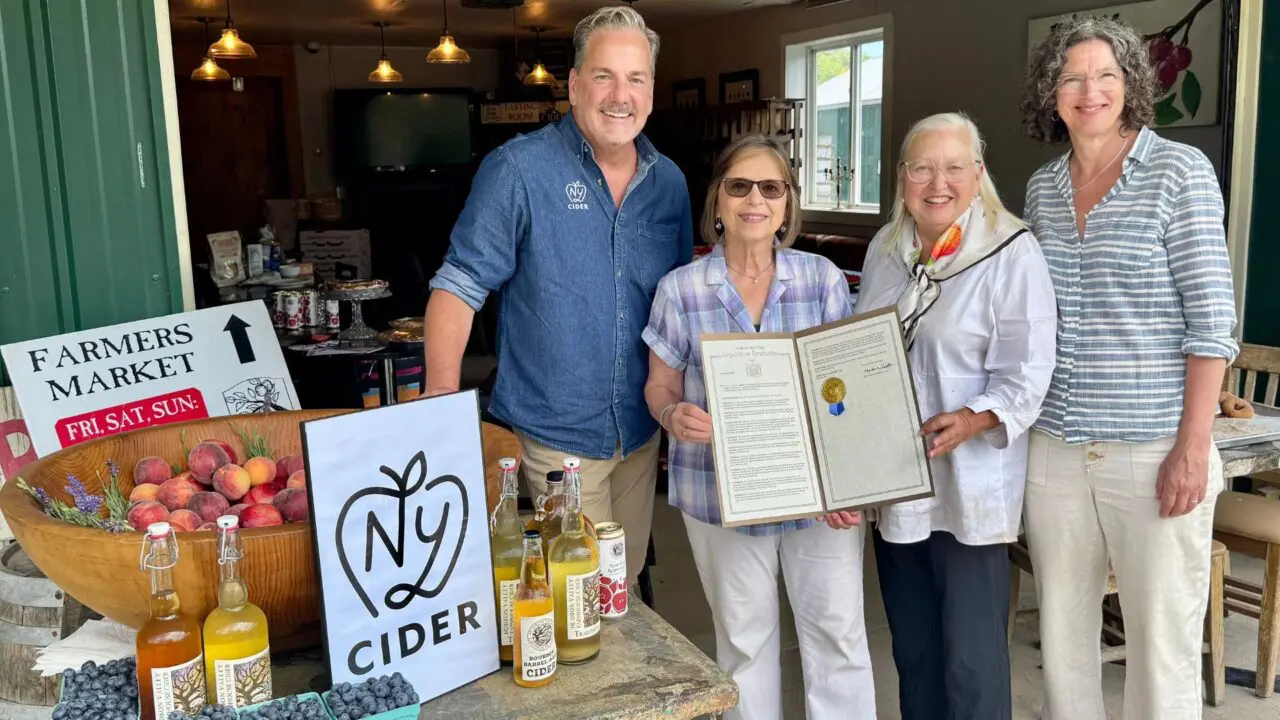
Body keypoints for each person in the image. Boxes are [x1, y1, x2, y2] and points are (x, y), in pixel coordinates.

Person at [423, 6, 692, 584]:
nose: (620, 95)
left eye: (636, 78)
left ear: (650, 90)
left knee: (619, 594)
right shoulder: (518, 169)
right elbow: (460, 283)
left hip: (641, 431)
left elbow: (680, 303)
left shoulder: (668, 181)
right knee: (579, 601)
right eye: (604, 76)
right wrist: (441, 398)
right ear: (574, 84)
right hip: (557, 437)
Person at [1020, 16, 1238, 719]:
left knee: (1160, 642)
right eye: (1073, 77)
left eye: (1106, 75)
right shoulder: (1043, 190)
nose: (1090, 91)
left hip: (1151, 451)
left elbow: (1212, 326)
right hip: (1054, 448)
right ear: (1053, 93)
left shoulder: (1179, 172)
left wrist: (1192, 449)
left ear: (1131, 86)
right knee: (1064, 634)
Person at [642, 134, 875, 720]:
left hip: (818, 498)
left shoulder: (821, 280)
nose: (755, 200)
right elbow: (659, 384)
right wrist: (672, 414)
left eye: (771, 188)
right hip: (721, 493)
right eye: (739, 185)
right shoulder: (681, 289)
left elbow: (841, 393)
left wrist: (847, 482)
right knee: (744, 643)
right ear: (717, 202)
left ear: (787, 204)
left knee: (838, 636)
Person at [853, 112, 1058, 720]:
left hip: (969, 491)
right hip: (896, 484)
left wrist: (973, 419)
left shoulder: (1009, 250)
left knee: (971, 659)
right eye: (922, 168)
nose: (937, 183)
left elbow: (1029, 368)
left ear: (978, 174)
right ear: (902, 177)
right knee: (914, 649)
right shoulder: (887, 249)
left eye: (953, 168)